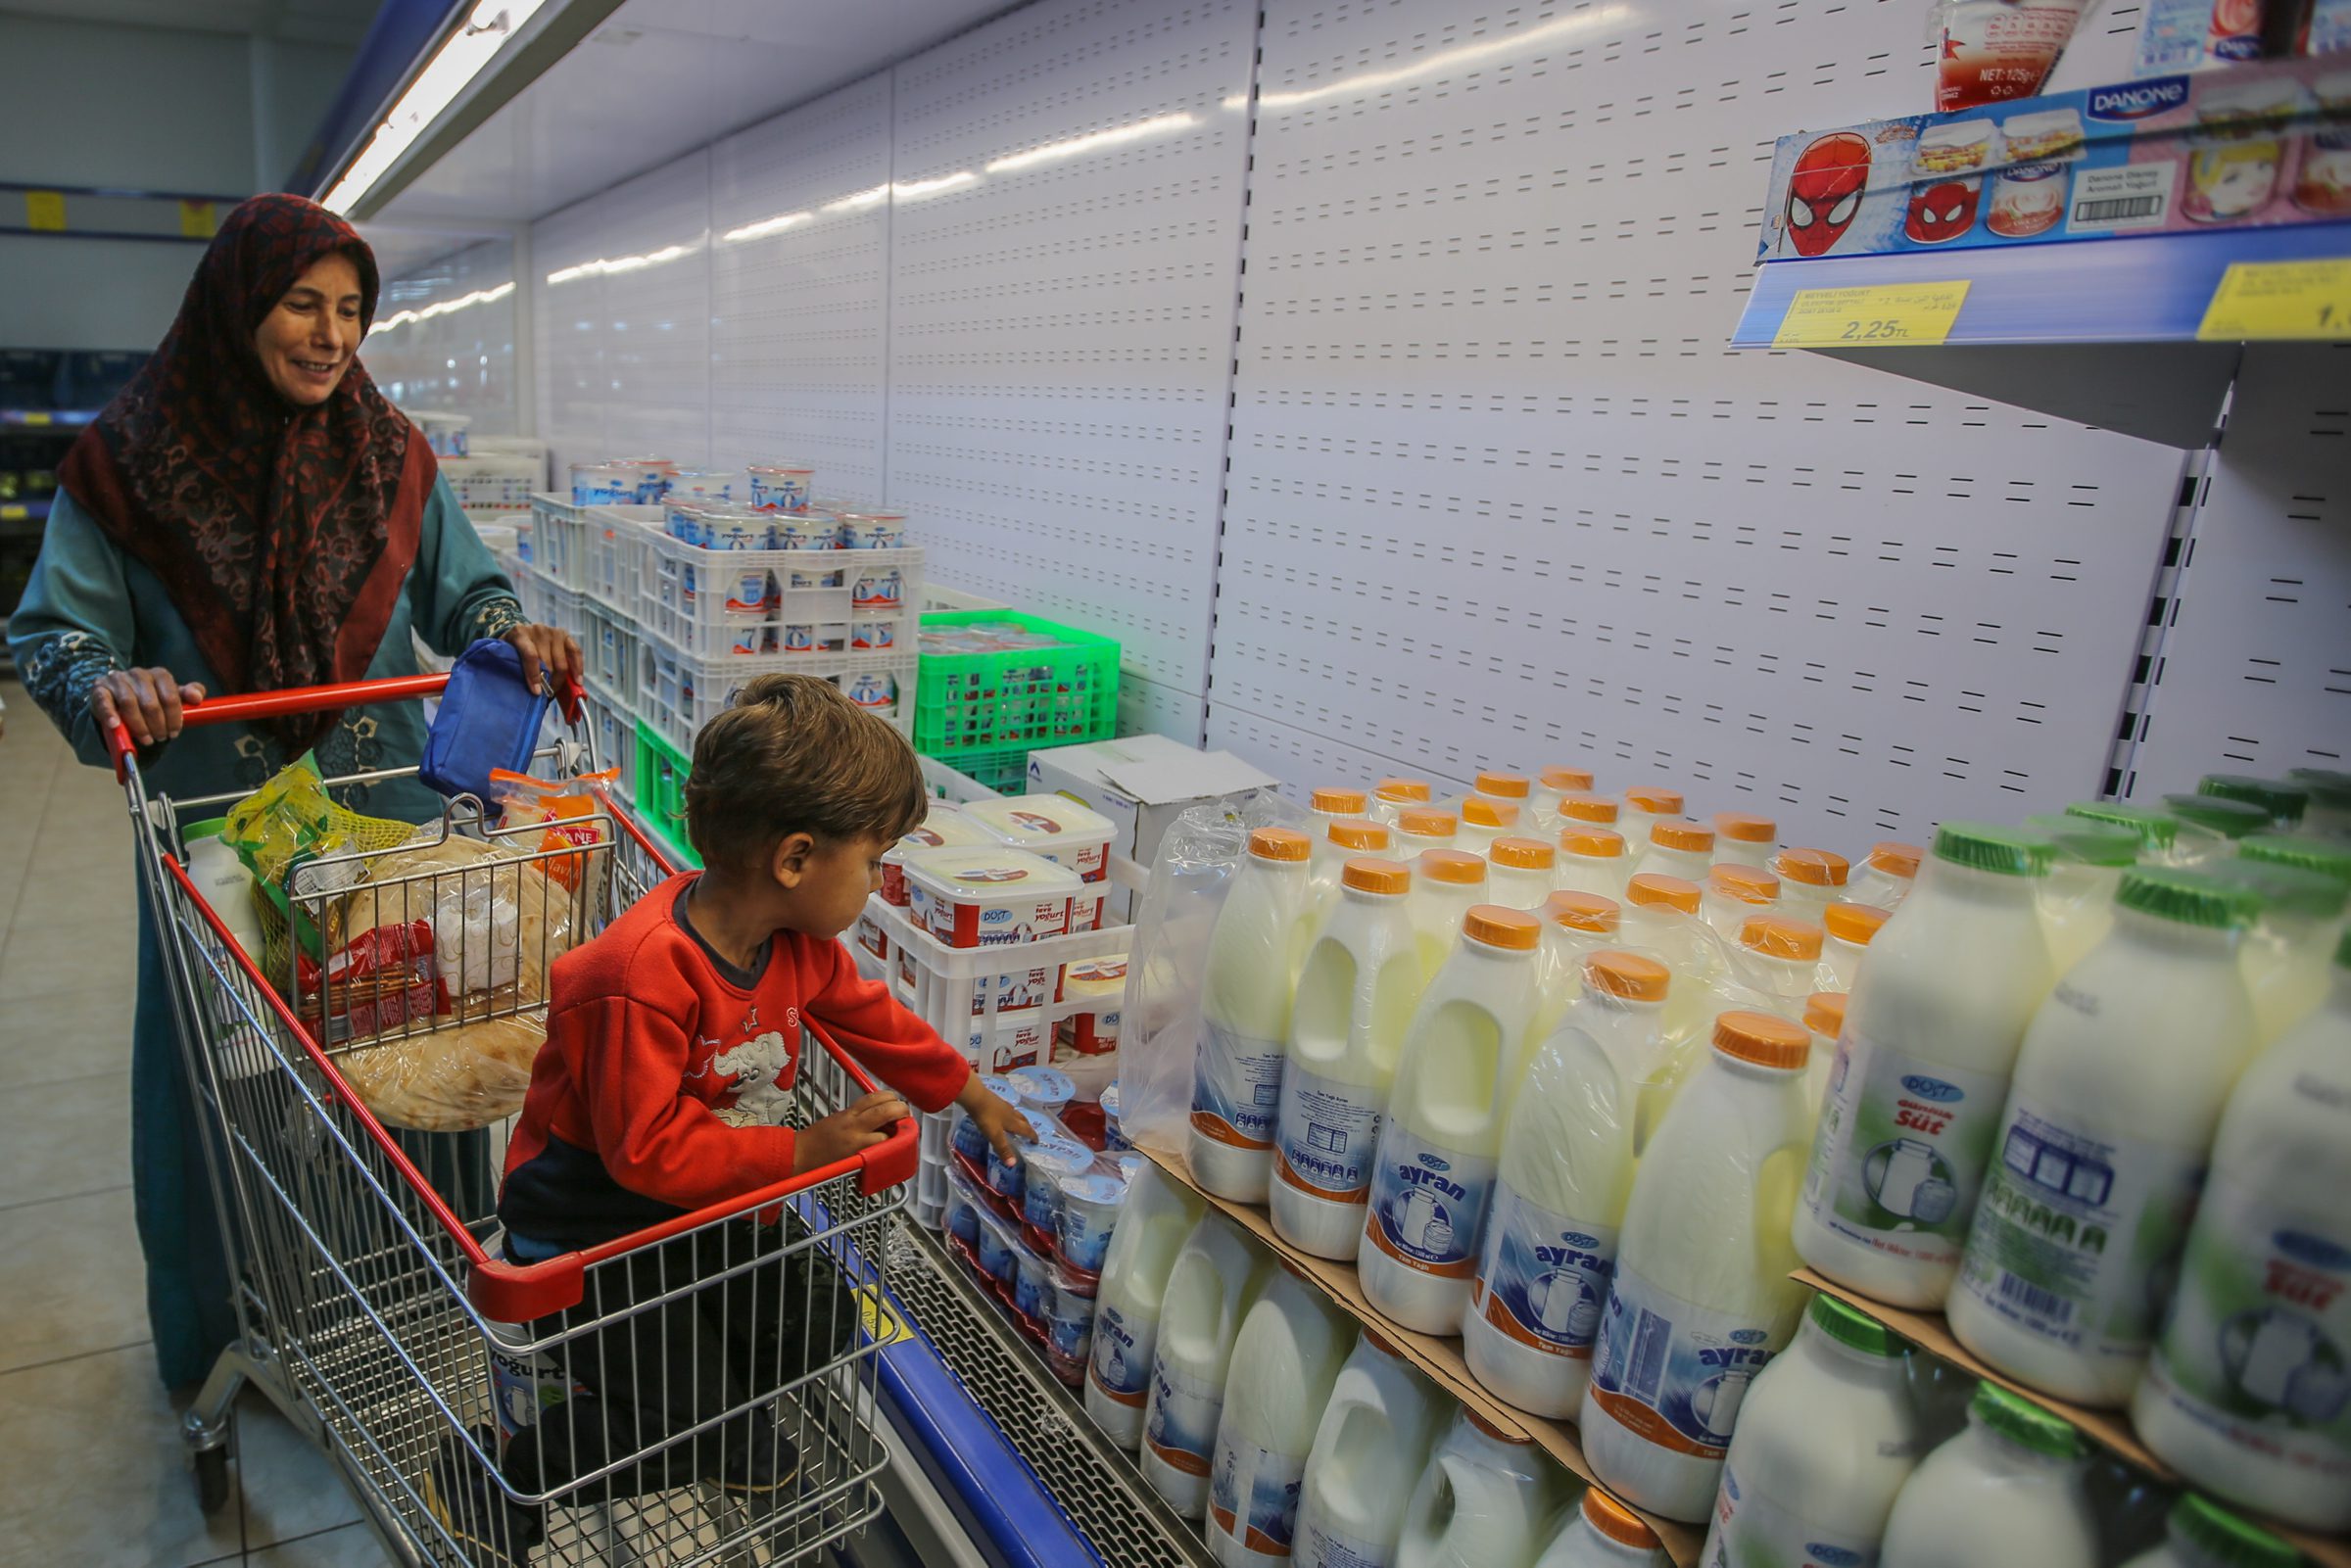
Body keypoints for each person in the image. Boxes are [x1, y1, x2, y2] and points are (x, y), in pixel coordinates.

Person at [6, 193, 583, 1390]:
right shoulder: (126, 464)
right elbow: (53, 636)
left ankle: (414, 1309)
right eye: (302, 304)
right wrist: (111, 680)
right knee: (231, 1087)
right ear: (236, 305)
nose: (331, 336)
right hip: (227, 845)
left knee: (405, 1067)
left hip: (382, 824)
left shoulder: (388, 451)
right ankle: (231, 1333)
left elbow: (465, 592)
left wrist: (507, 629)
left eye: (351, 310)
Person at [430, 675, 1032, 1561]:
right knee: (690, 1415)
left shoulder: (792, 946)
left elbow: (872, 1018)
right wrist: (805, 1149)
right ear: (795, 860)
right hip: (591, 1232)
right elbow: (644, 1151)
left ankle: (710, 1417)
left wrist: (969, 1091)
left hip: (703, 1209)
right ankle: (504, 1468)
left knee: (818, 1316)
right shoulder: (639, 977)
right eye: (873, 861)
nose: (877, 881)